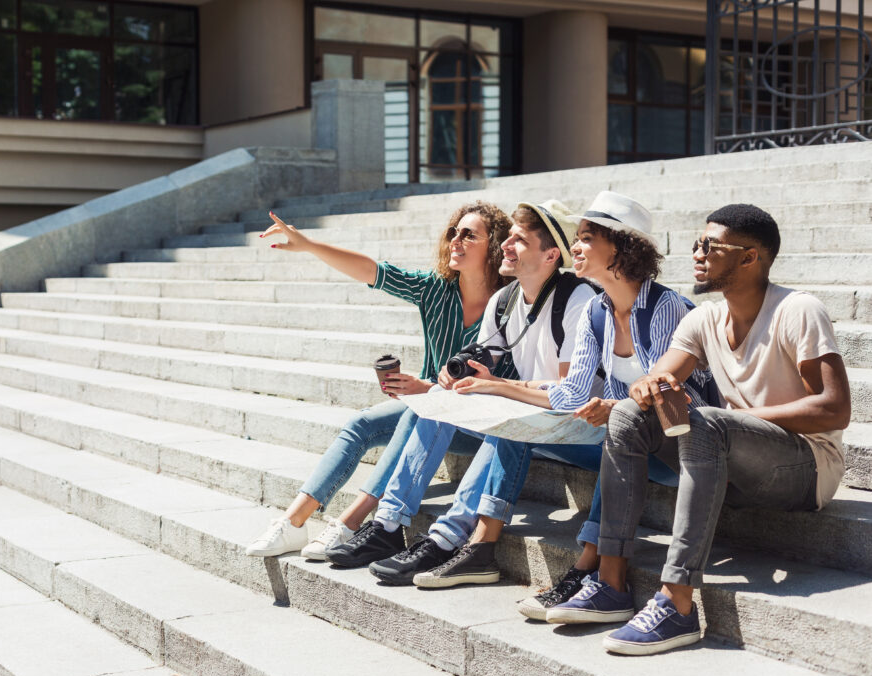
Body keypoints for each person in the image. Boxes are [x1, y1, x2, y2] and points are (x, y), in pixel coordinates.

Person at [547, 203, 851, 657]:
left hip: (804, 470)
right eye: (696, 243)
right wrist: (649, 386)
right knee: (627, 416)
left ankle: (677, 602)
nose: (698, 252)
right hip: (730, 462)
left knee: (707, 420)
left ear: (749, 258)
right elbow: (659, 376)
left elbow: (834, 408)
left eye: (711, 245)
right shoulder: (705, 318)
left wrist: (738, 420)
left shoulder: (797, 309)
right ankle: (610, 582)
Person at [380, 192, 703, 594]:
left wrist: (612, 406)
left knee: (620, 430)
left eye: (586, 238)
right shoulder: (596, 310)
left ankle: (589, 564)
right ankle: (473, 546)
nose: (576, 247)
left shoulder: (663, 306)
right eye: (577, 237)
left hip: (677, 447)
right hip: (613, 430)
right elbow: (570, 396)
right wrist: (489, 384)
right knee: (507, 426)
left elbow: (666, 392)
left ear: (620, 248)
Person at [326, 199, 599, 575]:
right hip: (537, 416)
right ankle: (388, 523)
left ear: (552, 254)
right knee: (442, 397)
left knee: (512, 417)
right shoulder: (505, 300)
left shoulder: (578, 299)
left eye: (519, 240)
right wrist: (455, 375)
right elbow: (483, 358)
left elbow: (572, 393)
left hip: (580, 424)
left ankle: (445, 539)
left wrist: (501, 384)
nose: (506, 244)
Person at [244, 202, 514, 558]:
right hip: (431, 414)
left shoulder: (512, 305)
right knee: (362, 423)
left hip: (477, 425)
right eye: (453, 232)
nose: (455, 241)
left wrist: (429, 388)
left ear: (493, 246)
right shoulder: (434, 290)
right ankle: (294, 523)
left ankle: (350, 522)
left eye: (469, 235)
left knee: (418, 409)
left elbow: (503, 388)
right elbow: (372, 271)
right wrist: (309, 245)